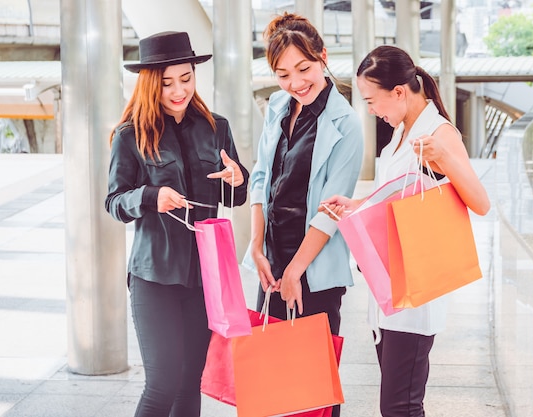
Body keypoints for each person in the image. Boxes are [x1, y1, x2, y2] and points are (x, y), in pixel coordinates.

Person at [321, 45, 491, 417]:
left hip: (416, 293)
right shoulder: (400, 133)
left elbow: (481, 202)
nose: (370, 110)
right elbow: (398, 197)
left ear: (399, 92)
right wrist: (358, 207)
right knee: (398, 405)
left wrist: (443, 157)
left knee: (400, 407)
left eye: (371, 100)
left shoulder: (438, 132)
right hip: (390, 288)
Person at [104, 31, 249, 417]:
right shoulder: (130, 134)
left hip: (205, 277)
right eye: (167, 82)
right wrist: (151, 196)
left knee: (190, 383)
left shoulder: (216, 126)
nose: (178, 90)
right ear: (152, 83)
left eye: (186, 78)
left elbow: (233, 197)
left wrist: (238, 179)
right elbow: (115, 203)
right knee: (162, 383)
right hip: (154, 277)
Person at [243, 13, 363, 416]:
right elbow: (260, 177)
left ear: (323, 57)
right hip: (273, 265)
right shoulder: (278, 104)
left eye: (304, 68)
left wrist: (296, 272)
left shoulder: (346, 122)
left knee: (314, 391)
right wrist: (256, 245)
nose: (295, 83)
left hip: (315, 269)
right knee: (273, 384)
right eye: (283, 74)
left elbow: (331, 210)